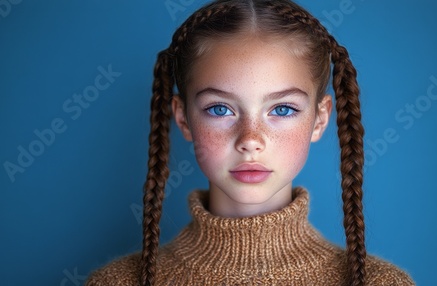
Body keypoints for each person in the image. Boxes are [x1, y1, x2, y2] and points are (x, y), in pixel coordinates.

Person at [86, 0, 415, 285]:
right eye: (220, 109)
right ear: (183, 117)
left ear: (320, 118)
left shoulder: (382, 283)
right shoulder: (117, 281)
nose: (251, 140)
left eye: (282, 109)